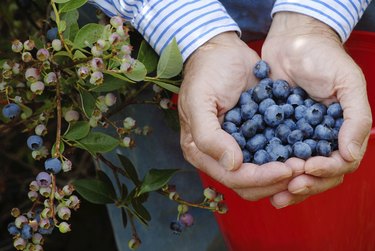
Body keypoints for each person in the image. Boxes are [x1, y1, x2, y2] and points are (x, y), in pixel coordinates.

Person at [88, 1, 373, 250]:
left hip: (340, 17)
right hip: (147, 38)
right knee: (178, 231)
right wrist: (196, 34)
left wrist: (316, 19)